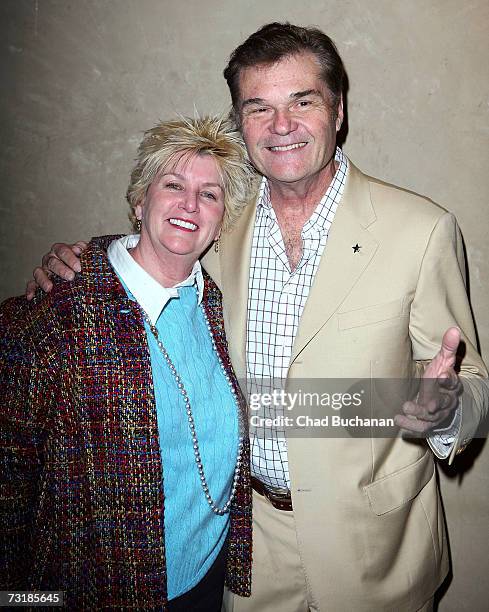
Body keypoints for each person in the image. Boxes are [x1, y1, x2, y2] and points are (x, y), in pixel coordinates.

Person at [25, 23, 488, 612]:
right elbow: (159, 238)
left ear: (338, 111)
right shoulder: (221, 226)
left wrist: (448, 408)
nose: (281, 126)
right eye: (258, 107)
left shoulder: (421, 230)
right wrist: (84, 262)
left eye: (303, 101)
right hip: (251, 552)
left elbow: (475, 386)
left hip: (377, 553)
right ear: (240, 124)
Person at [0, 115, 255, 610]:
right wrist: (23, 601)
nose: (189, 205)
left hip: (204, 577)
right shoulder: (61, 307)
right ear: (140, 201)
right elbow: (9, 481)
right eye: (173, 185)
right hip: (91, 592)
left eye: (210, 194)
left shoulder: (217, 308)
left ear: (221, 219)